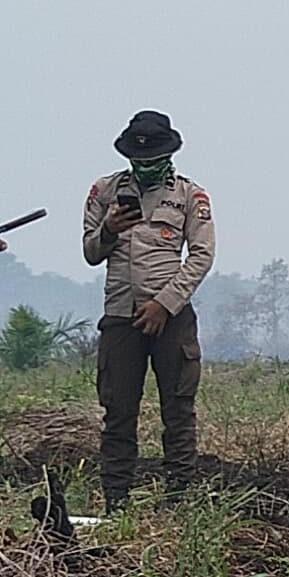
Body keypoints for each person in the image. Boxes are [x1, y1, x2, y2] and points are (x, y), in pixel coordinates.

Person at [79, 111, 214, 508]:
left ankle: (180, 500)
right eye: (139, 160)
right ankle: (116, 501)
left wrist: (164, 304)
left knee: (178, 411)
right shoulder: (104, 192)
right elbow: (89, 252)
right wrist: (109, 229)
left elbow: (201, 256)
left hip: (171, 317)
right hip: (121, 315)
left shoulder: (190, 196)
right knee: (118, 413)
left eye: (154, 159)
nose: (146, 166)